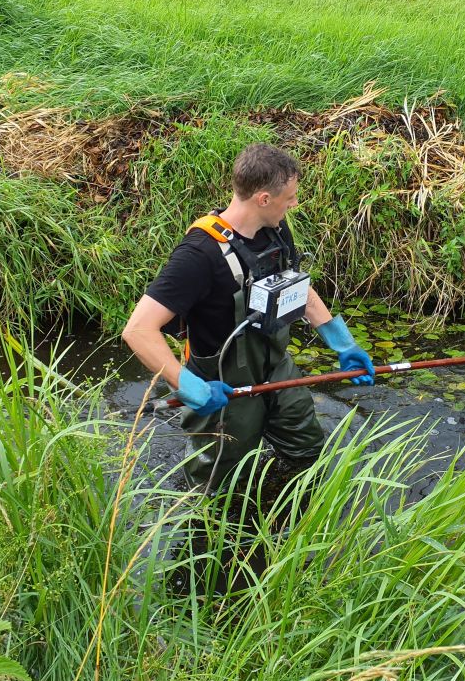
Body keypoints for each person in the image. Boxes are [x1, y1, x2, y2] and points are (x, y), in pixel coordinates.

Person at [122, 142, 375, 499]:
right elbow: (138, 330)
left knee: (310, 454)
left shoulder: (275, 230)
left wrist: (341, 342)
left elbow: (296, 289)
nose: (295, 204)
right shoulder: (198, 255)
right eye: (290, 198)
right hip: (221, 387)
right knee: (220, 490)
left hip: (277, 370)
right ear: (263, 198)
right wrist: (188, 387)